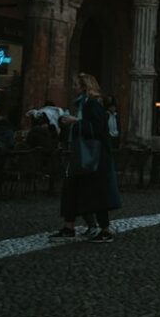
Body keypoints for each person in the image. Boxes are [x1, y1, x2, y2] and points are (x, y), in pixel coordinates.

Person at [48, 73, 121, 243]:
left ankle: (105, 230)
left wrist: (74, 121)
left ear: (84, 87)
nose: (73, 87)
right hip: (83, 155)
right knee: (72, 188)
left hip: (95, 156)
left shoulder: (92, 104)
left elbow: (97, 129)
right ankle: (69, 227)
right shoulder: (83, 104)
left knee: (96, 192)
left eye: (76, 85)